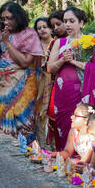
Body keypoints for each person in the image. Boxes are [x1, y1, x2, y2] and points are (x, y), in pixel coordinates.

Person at [0, 1, 44, 142]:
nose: (6, 22)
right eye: (3, 18)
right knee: (2, 118)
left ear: (18, 16)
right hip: (1, 85)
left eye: (9, 18)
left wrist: (6, 43)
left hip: (22, 85)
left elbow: (25, 62)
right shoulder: (3, 34)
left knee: (22, 119)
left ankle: (27, 152)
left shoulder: (29, 33)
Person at [47, 6, 95, 150]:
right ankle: (65, 159)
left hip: (83, 93)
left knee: (84, 126)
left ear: (81, 23)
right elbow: (50, 68)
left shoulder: (91, 42)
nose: (68, 25)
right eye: (65, 21)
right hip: (63, 95)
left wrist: (72, 61)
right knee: (64, 127)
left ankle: (81, 162)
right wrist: (62, 60)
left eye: (72, 21)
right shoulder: (59, 43)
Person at [46, 10, 68, 151]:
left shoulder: (86, 41)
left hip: (78, 87)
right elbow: (50, 67)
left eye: (58, 24)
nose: (56, 28)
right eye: (53, 26)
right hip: (57, 85)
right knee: (56, 118)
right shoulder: (55, 43)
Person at [34, 16, 53, 149]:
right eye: (39, 28)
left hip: (53, 82)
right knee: (39, 114)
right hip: (37, 82)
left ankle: (53, 147)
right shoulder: (34, 45)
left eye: (45, 27)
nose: (42, 30)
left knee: (51, 114)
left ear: (51, 28)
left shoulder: (57, 43)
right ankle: (41, 146)